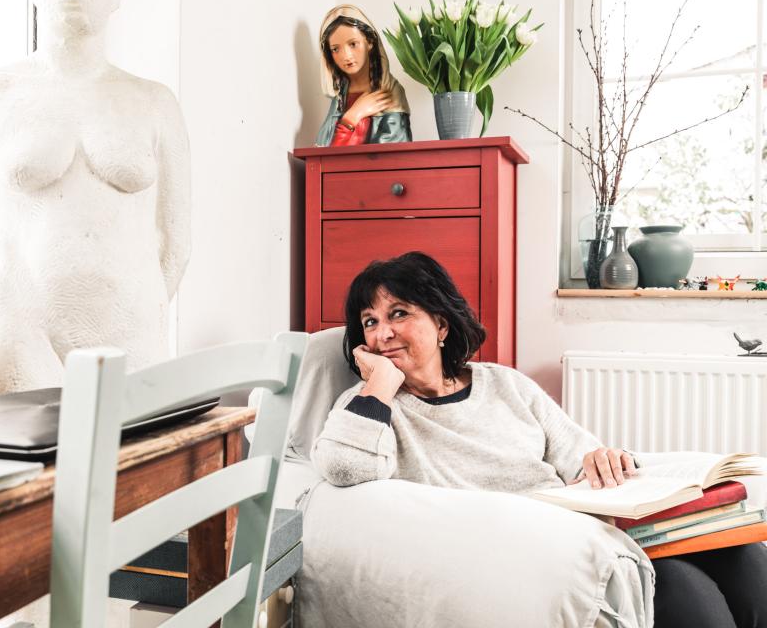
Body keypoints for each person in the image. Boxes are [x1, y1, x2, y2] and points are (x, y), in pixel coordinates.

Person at [311, 251, 767, 628]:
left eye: (399, 314)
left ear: (441, 325)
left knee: (744, 554)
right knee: (686, 591)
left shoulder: (504, 384)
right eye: (369, 322)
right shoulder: (370, 405)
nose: (383, 332)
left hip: (590, 522)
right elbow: (345, 468)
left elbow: (578, 453)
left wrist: (604, 458)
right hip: (535, 544)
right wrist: (380, 386)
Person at [0, 0, 190, 393]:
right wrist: (15, 308)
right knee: (24, 451)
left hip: (132, 330)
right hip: (16, 326)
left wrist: (133, 304)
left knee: (143, 453)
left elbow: (175, 244)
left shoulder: (155, 102)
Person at [315, 5, 412, 147]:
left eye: (353, 44)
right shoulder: (339, 99)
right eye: (336, 49)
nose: (346, 56)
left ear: (370, 42)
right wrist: (353, 115)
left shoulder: (389, 92)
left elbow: (391, 156)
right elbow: (325, 156)